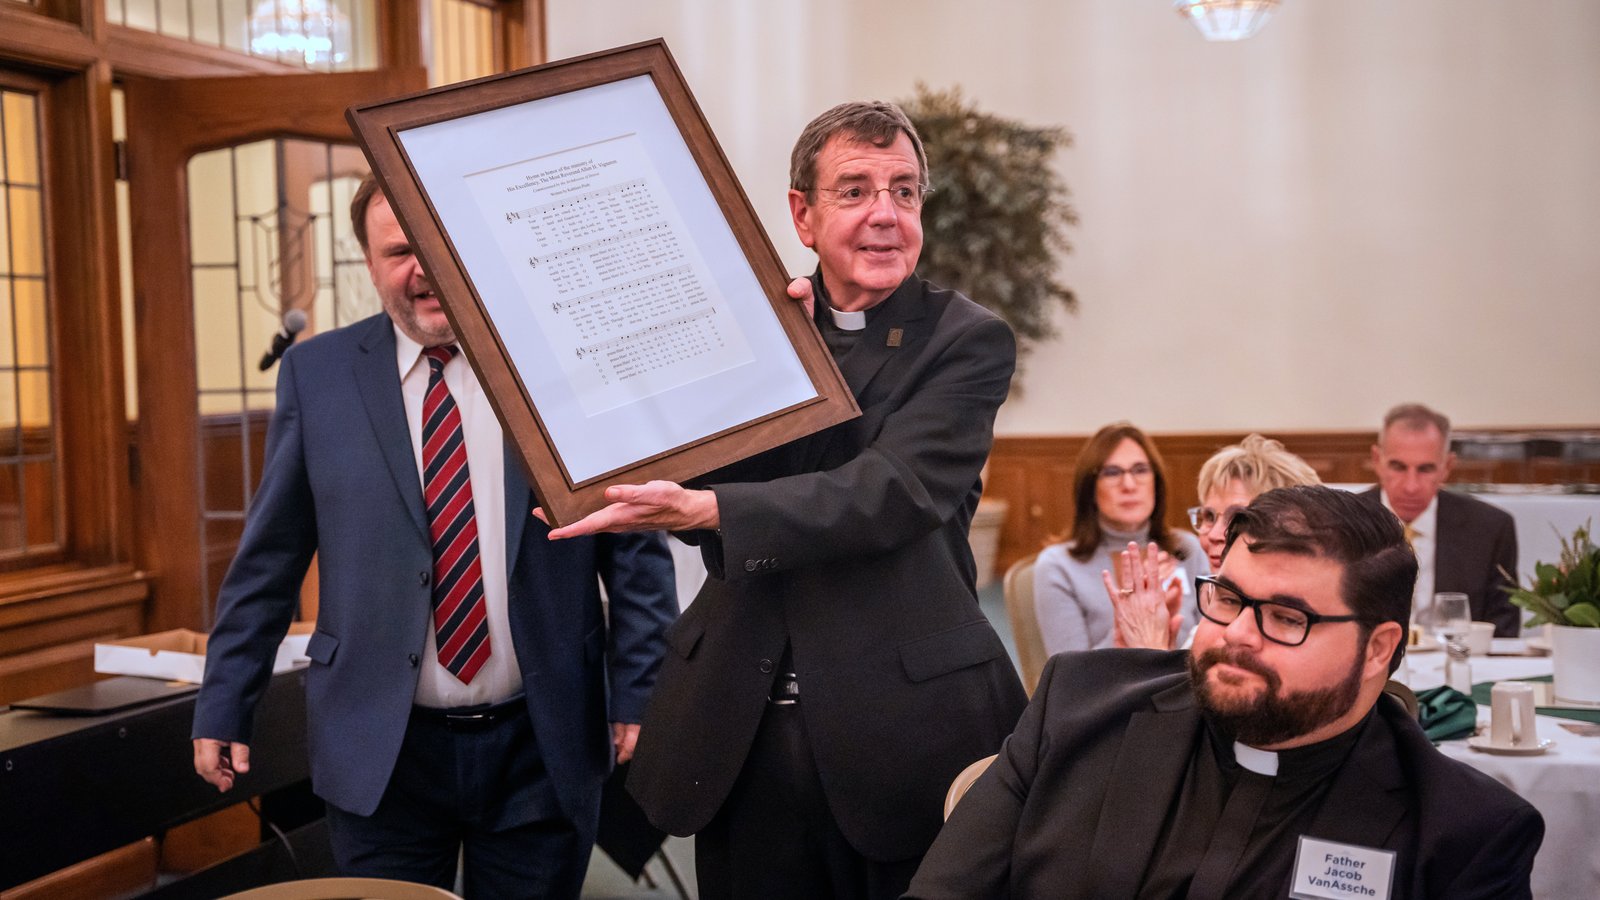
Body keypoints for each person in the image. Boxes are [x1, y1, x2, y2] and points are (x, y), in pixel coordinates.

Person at [542, 100, 1027, 899]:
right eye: (855, 190)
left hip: (900, 731)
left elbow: (891, 492)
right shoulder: (752, 333)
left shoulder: (967, 339)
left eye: (904, 192)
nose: (885, 214)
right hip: (743, 728)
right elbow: (682, 455)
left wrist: (709, 511)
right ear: (802, 214)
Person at [191, 177, 678, 898]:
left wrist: (641, 691)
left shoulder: (564, 364)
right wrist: (225, 698)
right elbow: (269, 560)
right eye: (398, 251)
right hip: (380, 748)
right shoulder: (317, 376)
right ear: (369, 261)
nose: (421, 270)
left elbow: (635, 547)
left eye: (440, 248)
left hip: (540, 742)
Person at [906, 485, 1544, 899]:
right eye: (1230, 598)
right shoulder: (1078, 708)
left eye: (1288, 618)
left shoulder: (1465, 835)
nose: (1237, 635)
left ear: (1378, 648)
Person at [1109, 432, 1319, 650]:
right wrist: (1163, 649)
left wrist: (1149, 648)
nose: (1214, 534)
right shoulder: (1218, 607)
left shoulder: (1291, 620)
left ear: (1291, 528)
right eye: (1209, 517)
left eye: (1237, 518)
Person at [1033, 423, 1206, 654]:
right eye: (1112, 472)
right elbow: (1071, 678)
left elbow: (1211, 647)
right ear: (1090, 488)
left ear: (1156, 480)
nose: (1129, 484)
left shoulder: (1187, 548)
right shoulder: (1058, 565)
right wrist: (1130, 623)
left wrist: (1165, 625)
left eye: (1140, 470)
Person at [1365, 403, 1520, 635]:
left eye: (1425, 469)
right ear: (1377, 460)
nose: (1411, 486)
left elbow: (1503, 631)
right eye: (1398, 467)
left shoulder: (1489, 528)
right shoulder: (1343, 523)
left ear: (1447, 467)